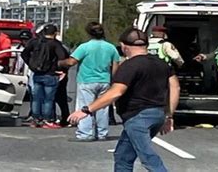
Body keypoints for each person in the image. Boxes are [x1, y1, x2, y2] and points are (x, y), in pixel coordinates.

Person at [68, 28, 180, 171]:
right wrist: (169, 115)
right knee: (123, 156)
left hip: (138, 117)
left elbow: (116, 92)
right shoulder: (162, 64)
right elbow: (175, 88)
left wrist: (87, 110)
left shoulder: (129, 65)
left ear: (124, 46)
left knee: (148, 158)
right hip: (157, 114)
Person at [59, 22, 120, 141]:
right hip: (104, 80)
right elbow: (115, 66)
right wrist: (113, 80)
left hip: (86, 80)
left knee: (85, 107)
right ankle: (102, 133)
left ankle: (86, 133)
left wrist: (60, 63)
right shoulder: (111, 47)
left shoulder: (84, 47)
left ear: (89, 33)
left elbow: (71, 62)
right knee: (102, 107)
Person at [21, 24, 67, 129]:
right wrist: (61, 70)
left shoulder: (35, 42)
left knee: (36, 98)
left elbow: (24, 54)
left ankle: (36, 119)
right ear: (55, 33)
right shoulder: (55, 44)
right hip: (50, 74)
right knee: (48, 99)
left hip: (37, 73)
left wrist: (31, 65)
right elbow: (62, 58)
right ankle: (48, 120)